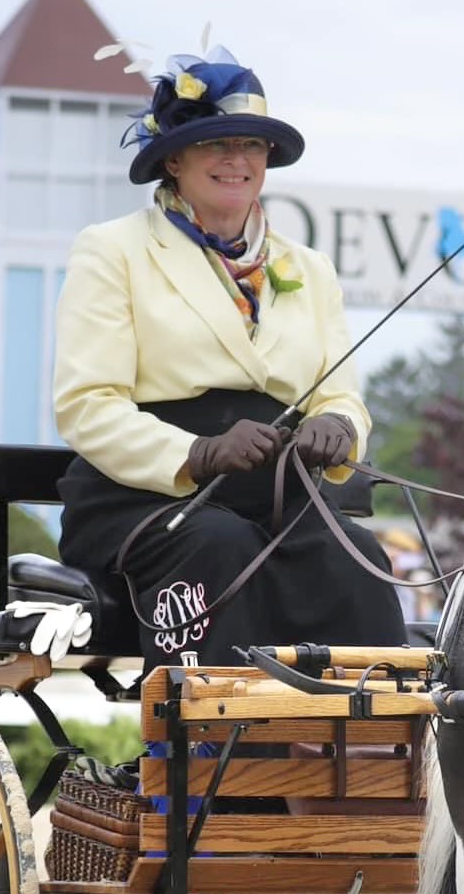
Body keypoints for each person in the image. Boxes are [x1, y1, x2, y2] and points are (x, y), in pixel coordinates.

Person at [53, 42, 404, 669]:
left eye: (252, 146)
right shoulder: (113, 251)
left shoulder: (310, 268)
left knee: (359, 562)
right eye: (218, 143)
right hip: (147, 499)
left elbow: (340, 393)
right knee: (220, 546)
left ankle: (370, 753)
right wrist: (197, 452)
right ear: (175, 159)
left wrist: (338, 426)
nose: (237, 160)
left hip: (273, 494)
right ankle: (218, 749)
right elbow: (87, 405)